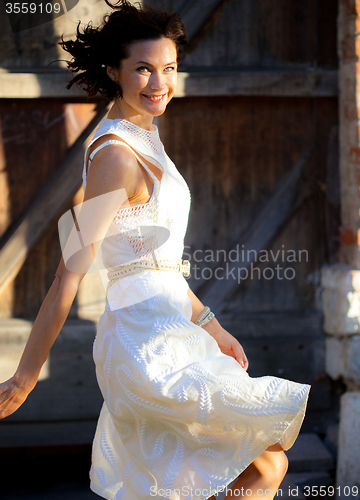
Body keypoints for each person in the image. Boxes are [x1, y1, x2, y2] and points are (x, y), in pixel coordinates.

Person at [0, 1, 311, 499]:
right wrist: (25, 375)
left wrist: (212, 325)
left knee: (245, 471)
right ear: (113, 72)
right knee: (259, 465)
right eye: (143, 69)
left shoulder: (145, 137)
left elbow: (154, 264)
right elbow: (69, 273)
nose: (158, 82)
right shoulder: (116, 156)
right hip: (145, 347)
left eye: (167, 68)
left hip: (175, 332)